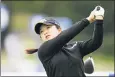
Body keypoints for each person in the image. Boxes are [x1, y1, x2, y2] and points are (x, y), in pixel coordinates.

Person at [26, 6, 105, 77]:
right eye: (41, 32)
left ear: (59, 30)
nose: (45, 32)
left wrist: (99, 20)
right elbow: (65, 37)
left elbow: (96, 43)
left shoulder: (76, 46)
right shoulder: (43, 51)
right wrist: (89, 19)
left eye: (48, 27)